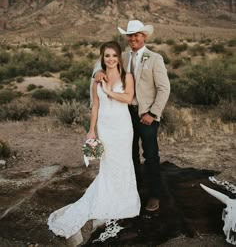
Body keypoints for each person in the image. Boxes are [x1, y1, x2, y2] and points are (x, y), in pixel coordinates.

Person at [48, 41, 140, 244]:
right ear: (102, 57)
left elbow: (128, 98)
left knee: (123, 162)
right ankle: (107, 198)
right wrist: (91, 131)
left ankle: (124, 200)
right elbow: (95, 107)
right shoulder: (96, 79)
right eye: (107, 55)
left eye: (114, 55)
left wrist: (109, 91)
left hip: (123, 127)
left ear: (119, 58)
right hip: (105, 128)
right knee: (108, 165)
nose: (111, 59)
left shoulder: (127, 77)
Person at [94, 20, 170, 212]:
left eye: (136, 35)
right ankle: (134, 190)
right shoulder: (124, 56)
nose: (133, 38)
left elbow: (164, 89)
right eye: (130, 35)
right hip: (125, 114)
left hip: (146, 115)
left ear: (144, 36)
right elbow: (102, 62)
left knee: (151, 155)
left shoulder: (155, 58)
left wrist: (153, 113)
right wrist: (98, 72)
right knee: (130, 154)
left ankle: (154, 194)